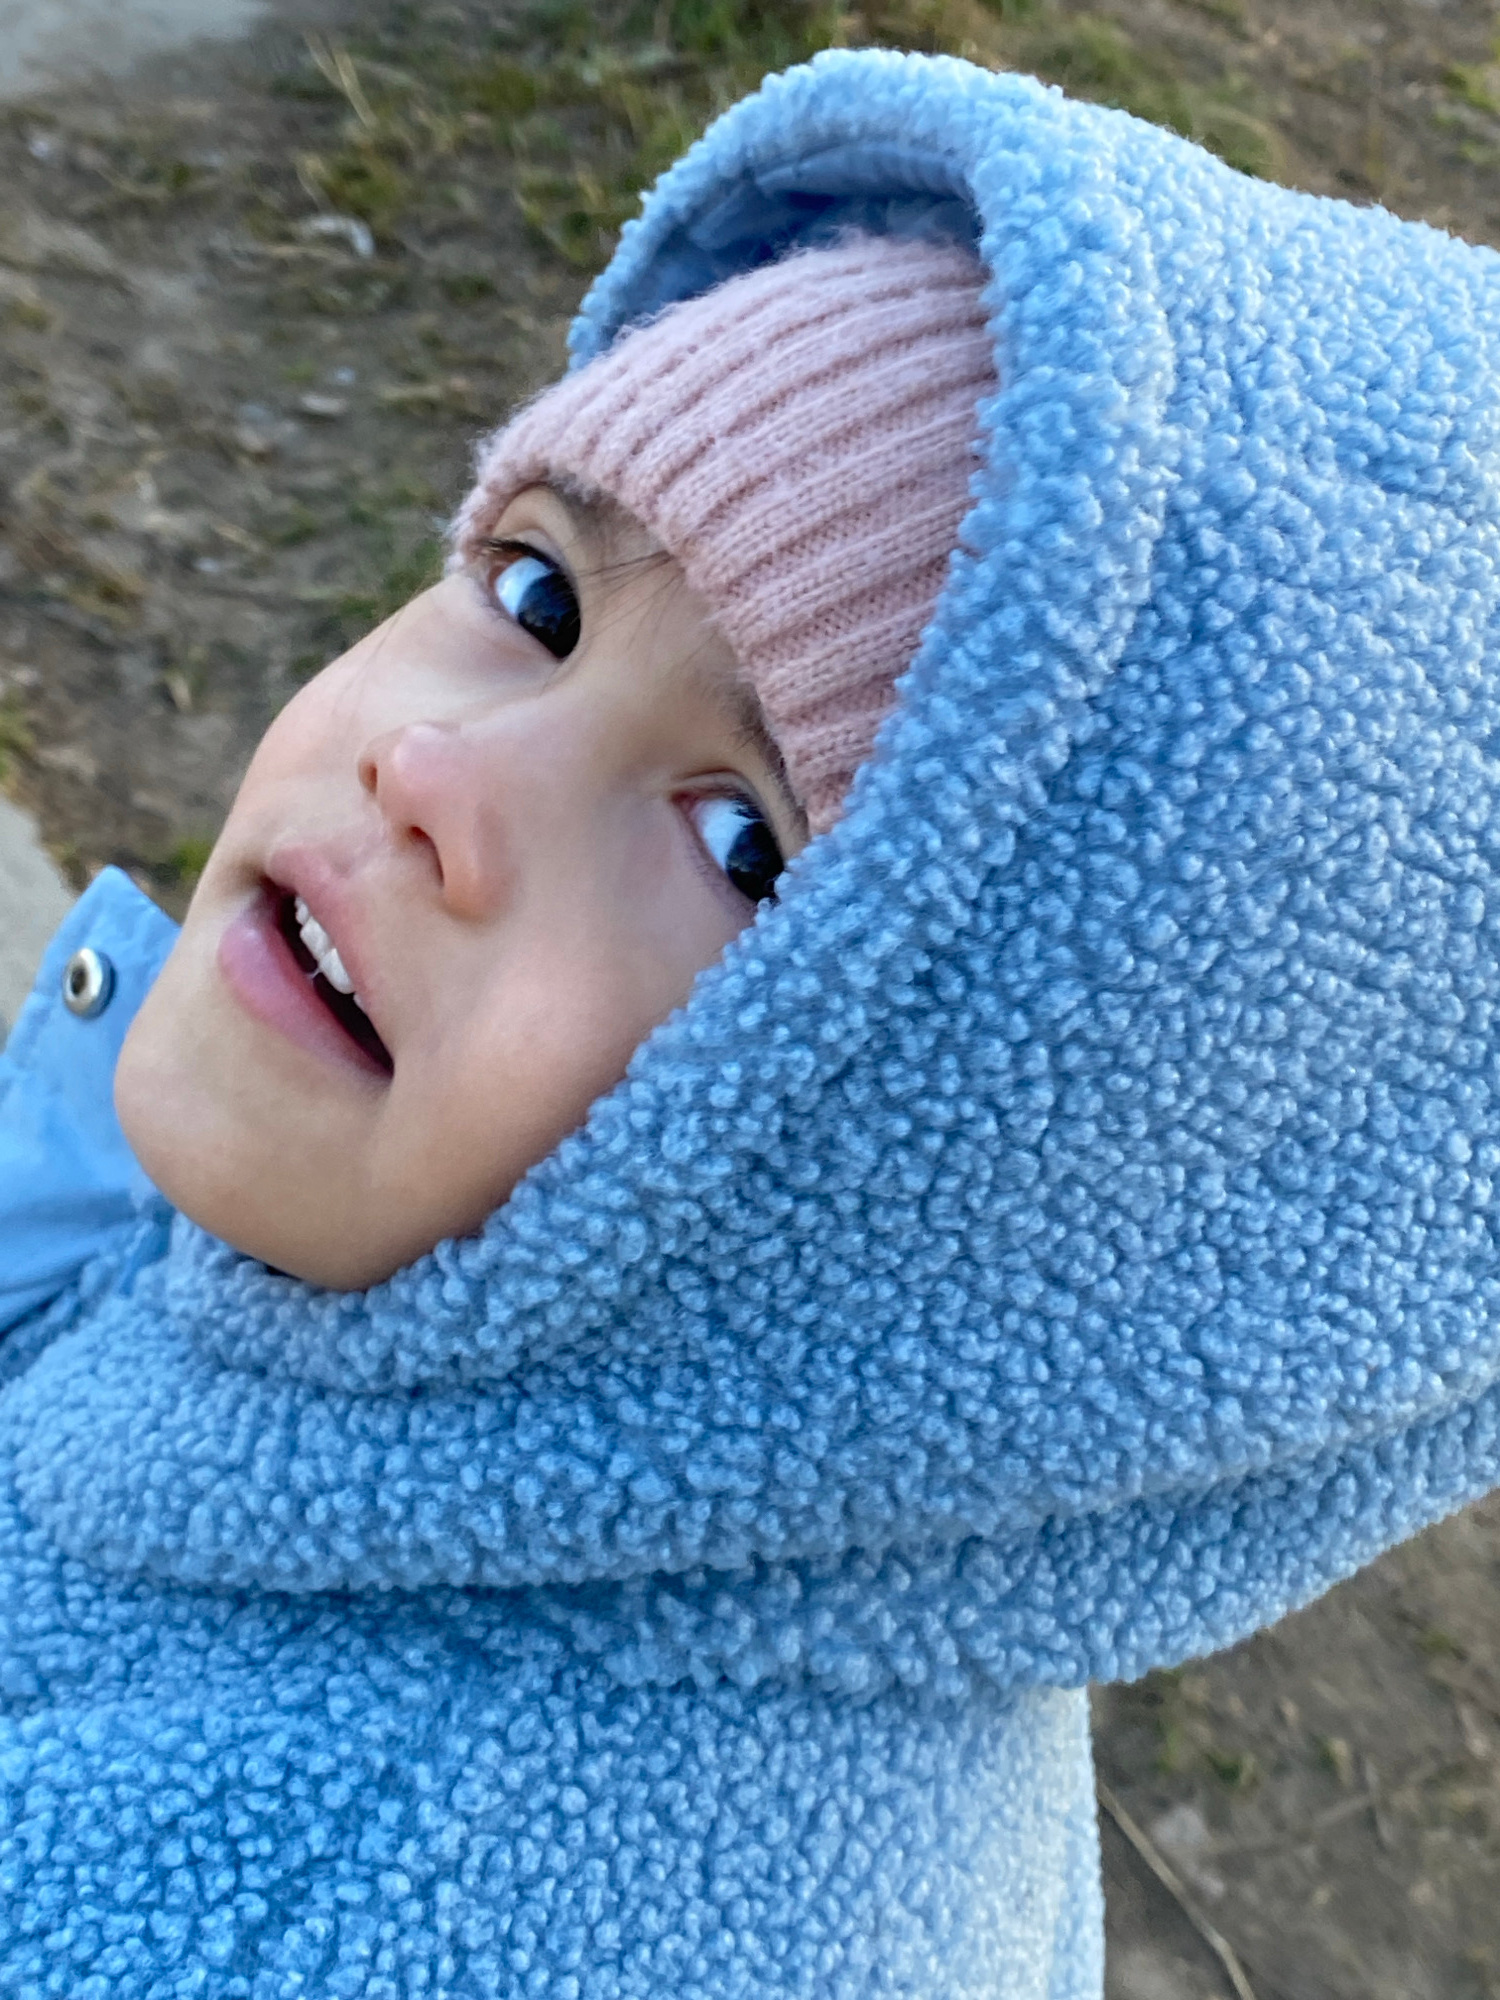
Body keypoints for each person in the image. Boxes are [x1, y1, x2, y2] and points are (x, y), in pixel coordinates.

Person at [2, 40, 1500, 1998]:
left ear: (960, 1220)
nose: (438, 772)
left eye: (747, 846)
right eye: (539, 595)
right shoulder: (420, 1311)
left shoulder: (463, 1921)